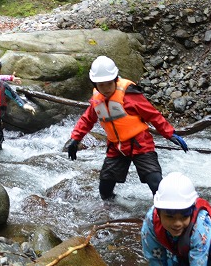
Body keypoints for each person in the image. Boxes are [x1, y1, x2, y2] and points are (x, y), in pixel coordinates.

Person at [62, 56, 188, 200]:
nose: (106, 88)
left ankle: (167, 210)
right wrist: (75, 139)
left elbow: (152, 115)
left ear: (115, 79)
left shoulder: (130, 95)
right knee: (105, 188)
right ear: (95, 84)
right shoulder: (97, 99)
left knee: (155, 182)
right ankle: (113, 215)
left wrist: (170, 133)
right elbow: (87, 120)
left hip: (140, 143)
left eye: (109, 84)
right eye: (101, 85)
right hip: (116, 147)